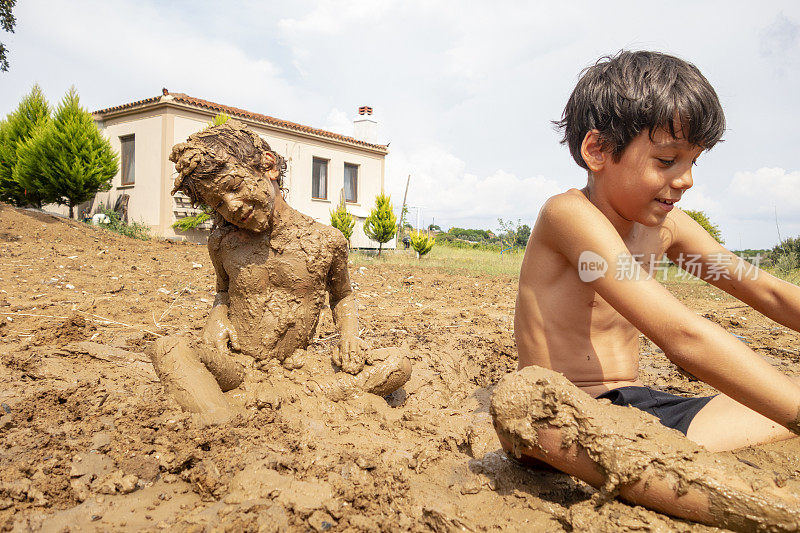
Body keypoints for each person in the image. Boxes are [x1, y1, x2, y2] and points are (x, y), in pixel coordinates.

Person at [491, 51, 800, 529]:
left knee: (785, 391)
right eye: (666, 160)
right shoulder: (569, 216)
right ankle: (768, 511)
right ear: (596, 151)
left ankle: (657, 468)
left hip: (640, 411)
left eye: (693, 162)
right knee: (526, 406)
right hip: (567, 416)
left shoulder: (667, 229)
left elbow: (770, 293)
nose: (686, 180)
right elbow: (682, 335)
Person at [148, 121, 411, 424]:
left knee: (399, 362)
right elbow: (223, 292)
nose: (231, 206)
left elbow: (342, 297)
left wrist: (349, 336)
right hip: (237, 368)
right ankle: (219, 424)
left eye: (234, 187)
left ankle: (279, 399)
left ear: (268, 166)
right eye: (218, 203)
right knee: (167, 347)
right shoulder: (223, 244)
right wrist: (217, 319)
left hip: (301, 368)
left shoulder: (326, 241)